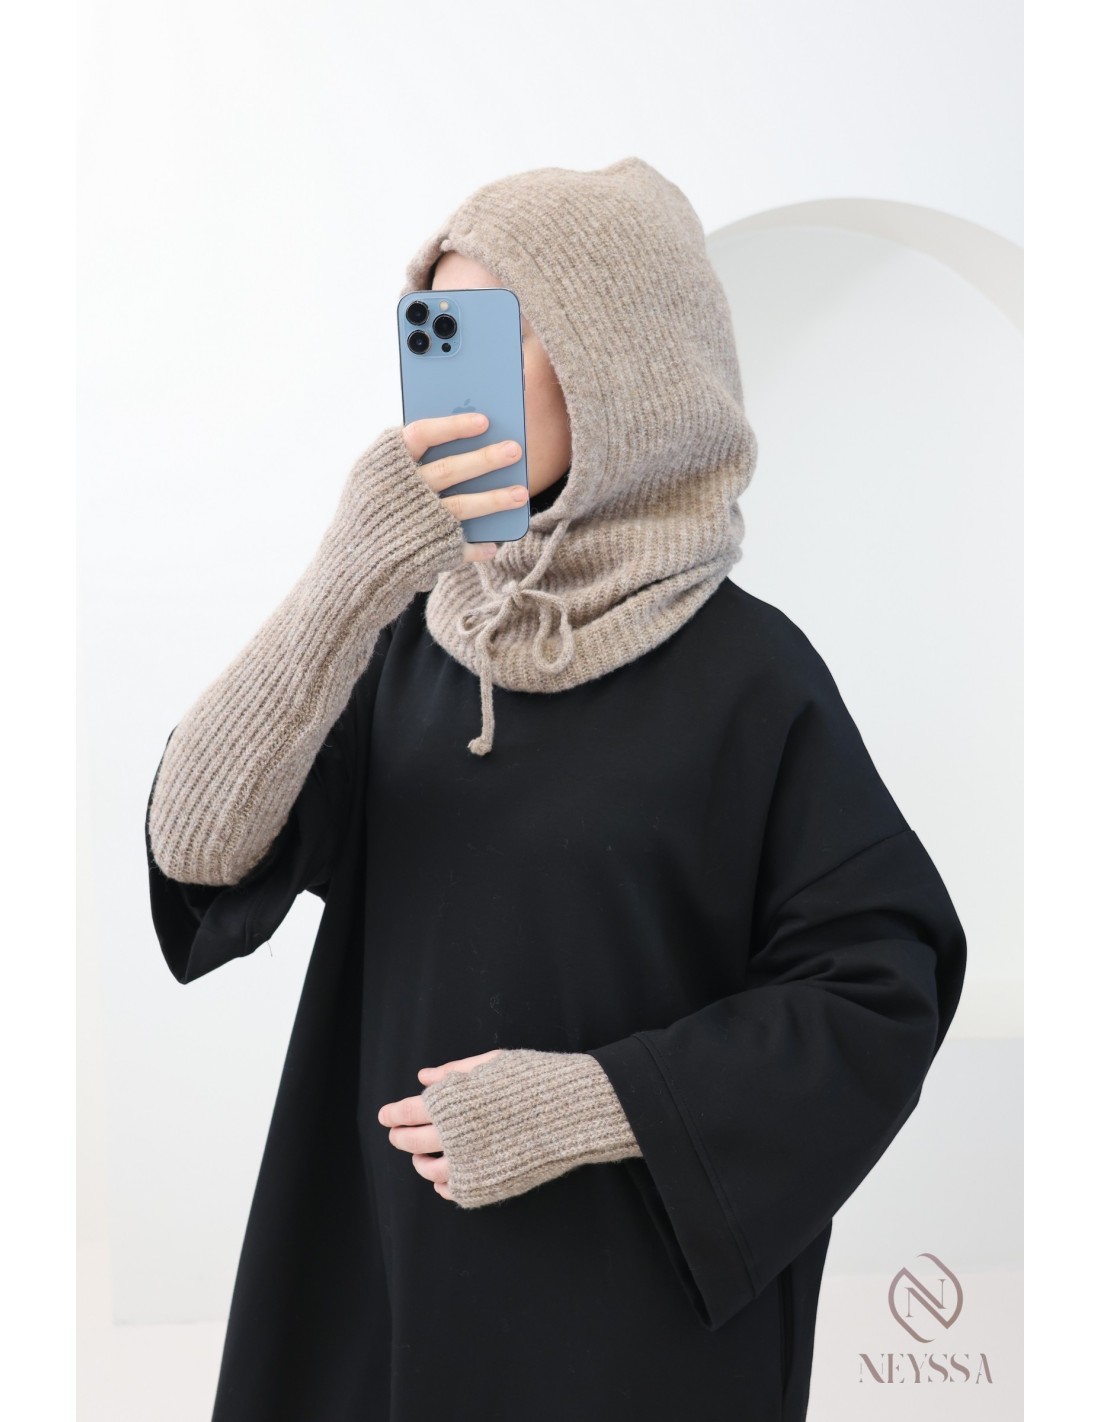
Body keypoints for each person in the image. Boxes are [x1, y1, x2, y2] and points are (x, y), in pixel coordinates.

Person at [144, 157, 967, 1422]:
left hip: (626, 1313)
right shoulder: (404, 641)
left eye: (488, 331)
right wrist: (346, 578)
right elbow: (194, 844)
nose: (448, 373)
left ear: (617, 365)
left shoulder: (750, 676)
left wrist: (597, 1104)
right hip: (384, 1281)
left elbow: (878, 989)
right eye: (433, 326)